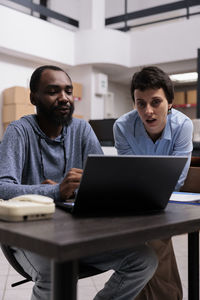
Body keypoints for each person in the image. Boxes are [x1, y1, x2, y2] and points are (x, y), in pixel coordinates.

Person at [0, 65, 158, 300]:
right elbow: (3, 187)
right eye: (53, 91)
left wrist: (93, 184)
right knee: (54, 273)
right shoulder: (18, 131)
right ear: (33, 97)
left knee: (144, 259)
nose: (64, 98)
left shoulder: (82, 129)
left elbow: (102, 181)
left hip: (76, 231)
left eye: (68, 91)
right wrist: (56, 190)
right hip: (29, 235)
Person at [113, 66, 193, 300]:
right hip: (135, 202)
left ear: (170, 102)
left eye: (155, 102)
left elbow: (177, 178)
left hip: (169, 200)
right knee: (145, 239)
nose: (148, 111)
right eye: (140, 103)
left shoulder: (183, 126)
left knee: (151, 238)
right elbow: (128, 175)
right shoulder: (123, 127)